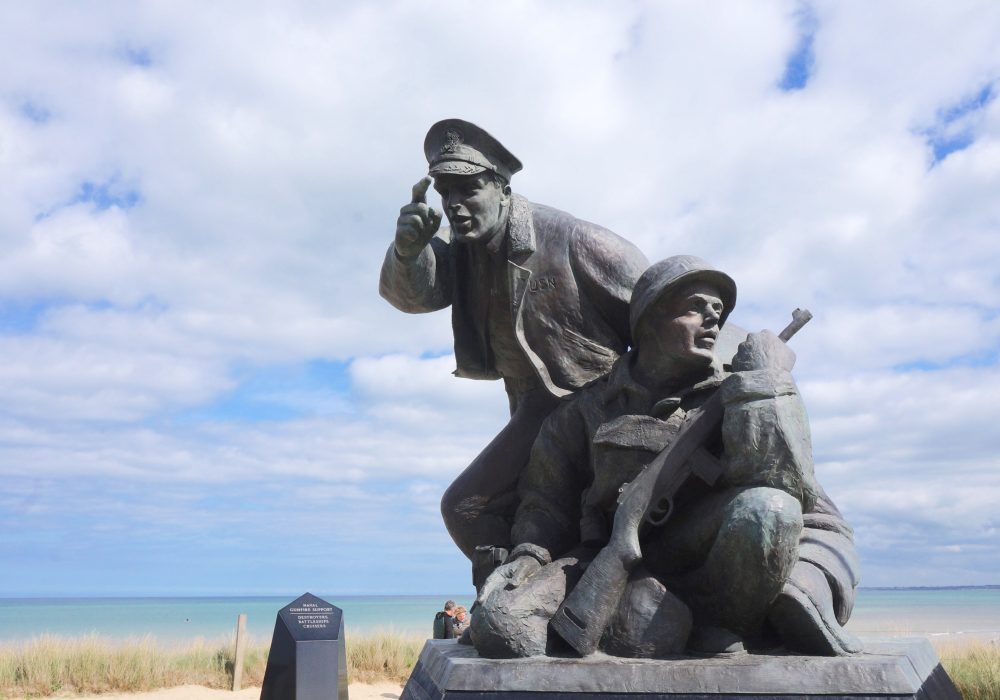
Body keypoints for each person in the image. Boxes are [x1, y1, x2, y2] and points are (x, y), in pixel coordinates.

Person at [472, 256, 861, 659]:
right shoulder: (584, 410)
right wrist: (529, 555)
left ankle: (718, 630)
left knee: (768, 510)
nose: (713, 320)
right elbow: (546, 501)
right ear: (648, 319)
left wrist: (763, 384)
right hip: (609, 554)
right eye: (696, 307)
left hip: (709, 558)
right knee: (500, 627)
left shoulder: (733, 393)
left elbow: (779, 479)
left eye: (719, 312)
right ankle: (648, 620)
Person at [380, 119, 649, 583]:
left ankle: (539, 595)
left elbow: (661, 307)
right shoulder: (462, 249)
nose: (454, 206)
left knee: (465, 506)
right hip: (531, 410)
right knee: (490, 515)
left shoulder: (574, 240)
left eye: (468, 189)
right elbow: (412, 296)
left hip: (596, 408)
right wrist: (408, 252)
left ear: (503, 189)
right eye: (446, 193)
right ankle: (520, 603)